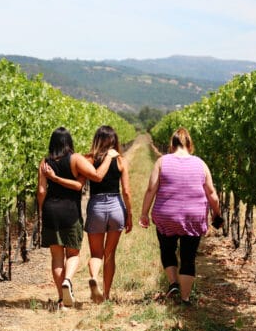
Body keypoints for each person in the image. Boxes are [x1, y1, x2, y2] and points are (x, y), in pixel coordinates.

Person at [139, 127, 221, 306]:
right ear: (189, 144)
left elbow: (151, 188)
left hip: (166, 216)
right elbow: (212, 193)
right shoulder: (200, 163)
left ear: (172, 144)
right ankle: (185, 298)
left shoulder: (162, 161)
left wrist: (144, 213)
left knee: (167, 250)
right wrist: (217, 214)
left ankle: (173, 283)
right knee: (188, 256)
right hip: (193, 217)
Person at [37, 127, 118, 309]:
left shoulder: (45, 162)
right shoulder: (75, 159)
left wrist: (42, 211)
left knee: (56, 256)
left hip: (51, 210)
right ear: (69, 142)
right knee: (73, 253)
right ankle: (68, 280)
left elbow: (41, 191)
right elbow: (94, 177)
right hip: (70, 211)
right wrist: (109, 157)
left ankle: (61, 298)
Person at [83, 126, 132, 303]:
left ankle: (94, 277)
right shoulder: (121, 161)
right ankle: (106, 294)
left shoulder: (88, 159)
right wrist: (129, 215)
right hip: (116, 207)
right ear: (115, 140)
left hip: (96, 205)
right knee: (110, 254)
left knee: (96, 253)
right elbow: (126, 191)